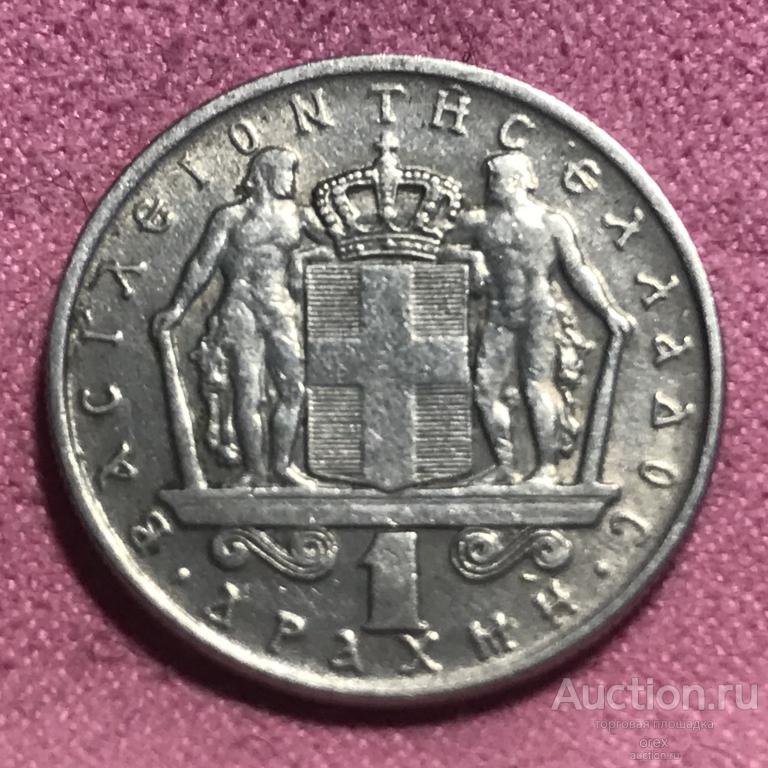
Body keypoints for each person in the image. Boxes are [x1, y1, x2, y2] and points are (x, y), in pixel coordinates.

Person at [452, 150, 635, 482]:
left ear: (518, 181)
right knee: (485, 392)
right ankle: (506, 466)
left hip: (539, 313)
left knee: (537, 387)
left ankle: (548, 468)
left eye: (497, 177)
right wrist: (471, 257)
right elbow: (438, 247)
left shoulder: (552, 223)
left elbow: (578, 271)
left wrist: (608, 311)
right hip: (499, 313)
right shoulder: (479, 222)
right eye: (491, 177)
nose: (490, 184)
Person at [153, 147, 326, 487]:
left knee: (293, 389)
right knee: (249, 394)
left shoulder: (298, 215)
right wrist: (179, 307)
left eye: (293, 172)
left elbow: (340, 244)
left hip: (280, 308)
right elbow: (203, 263)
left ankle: (282, 466)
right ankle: (256, 471)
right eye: (287, 171)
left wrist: (304, 259)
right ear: (267, 173)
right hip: (240, 308)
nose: (292, 179)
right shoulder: (231, 217)